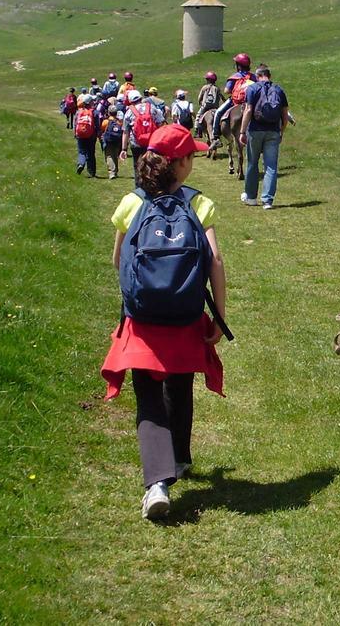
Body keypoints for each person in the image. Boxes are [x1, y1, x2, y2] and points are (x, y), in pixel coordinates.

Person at [100, 124, 225, 520]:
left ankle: (157, 482)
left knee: (149, 395)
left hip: (143, 320)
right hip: (186, 316)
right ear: (181, 163)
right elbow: (215, 262)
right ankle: (181, 458)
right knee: (179, 382)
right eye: (192, 156)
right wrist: (219, 316)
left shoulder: (131, 202)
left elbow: (118, 260)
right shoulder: (198, 204)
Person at [239, 65, 287, 210]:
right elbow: (284, 115)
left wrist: (242, 131)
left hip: (255, 130)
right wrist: (281, 131)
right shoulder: (279, 89)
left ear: (257, 75)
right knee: (271, 166)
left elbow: (248, 110)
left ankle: (251, 197)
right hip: (273, 131)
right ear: (269, 75)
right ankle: (267, 200)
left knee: (253, 163)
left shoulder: (252, 89)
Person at [121, 90, 165, 187]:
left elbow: (125, 131)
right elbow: (161, 123)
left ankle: (139, 189)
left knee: (138, 166)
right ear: (141, 98)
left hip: (136, 144)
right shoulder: (152, 108)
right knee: (152, 165)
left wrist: (124, 149)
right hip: (151, 143)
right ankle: (153, 186)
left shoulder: (129, 112)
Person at [211, 53, 254, 146]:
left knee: (218, 113)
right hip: (250, 102)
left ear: (238, 65)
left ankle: (216, 137)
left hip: (235, 101)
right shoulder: (253, 77)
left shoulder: (235, 76)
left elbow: (226, 91)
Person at [74, 95, 99, 177]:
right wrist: (98, 133)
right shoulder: (94, 112)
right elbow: (97, 125)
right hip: (91, 135)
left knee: (82, 151)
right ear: (90, 102)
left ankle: (81, 164)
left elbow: (75, 123)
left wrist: (75, 133)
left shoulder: (79, 112)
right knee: (91, 153)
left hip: (80, 135)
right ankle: (91, 171)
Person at [99, 104, 125, 179]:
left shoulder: (106, 122)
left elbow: (102, 130)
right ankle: (115, 171)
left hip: (108, 141)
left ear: (109, 112)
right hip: (117, 141)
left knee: (109, 155)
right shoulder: (119, 122)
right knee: (115, 155)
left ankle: (112, 172)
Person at [196, 72, 222, 141]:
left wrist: (200, 103)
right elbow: (221, 97)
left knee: (198, 116)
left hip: (206, 106)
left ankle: (198, 131)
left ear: (208, 80)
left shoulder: (204, 87)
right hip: (215, 107)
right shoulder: (217, 88)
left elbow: (199, 98)